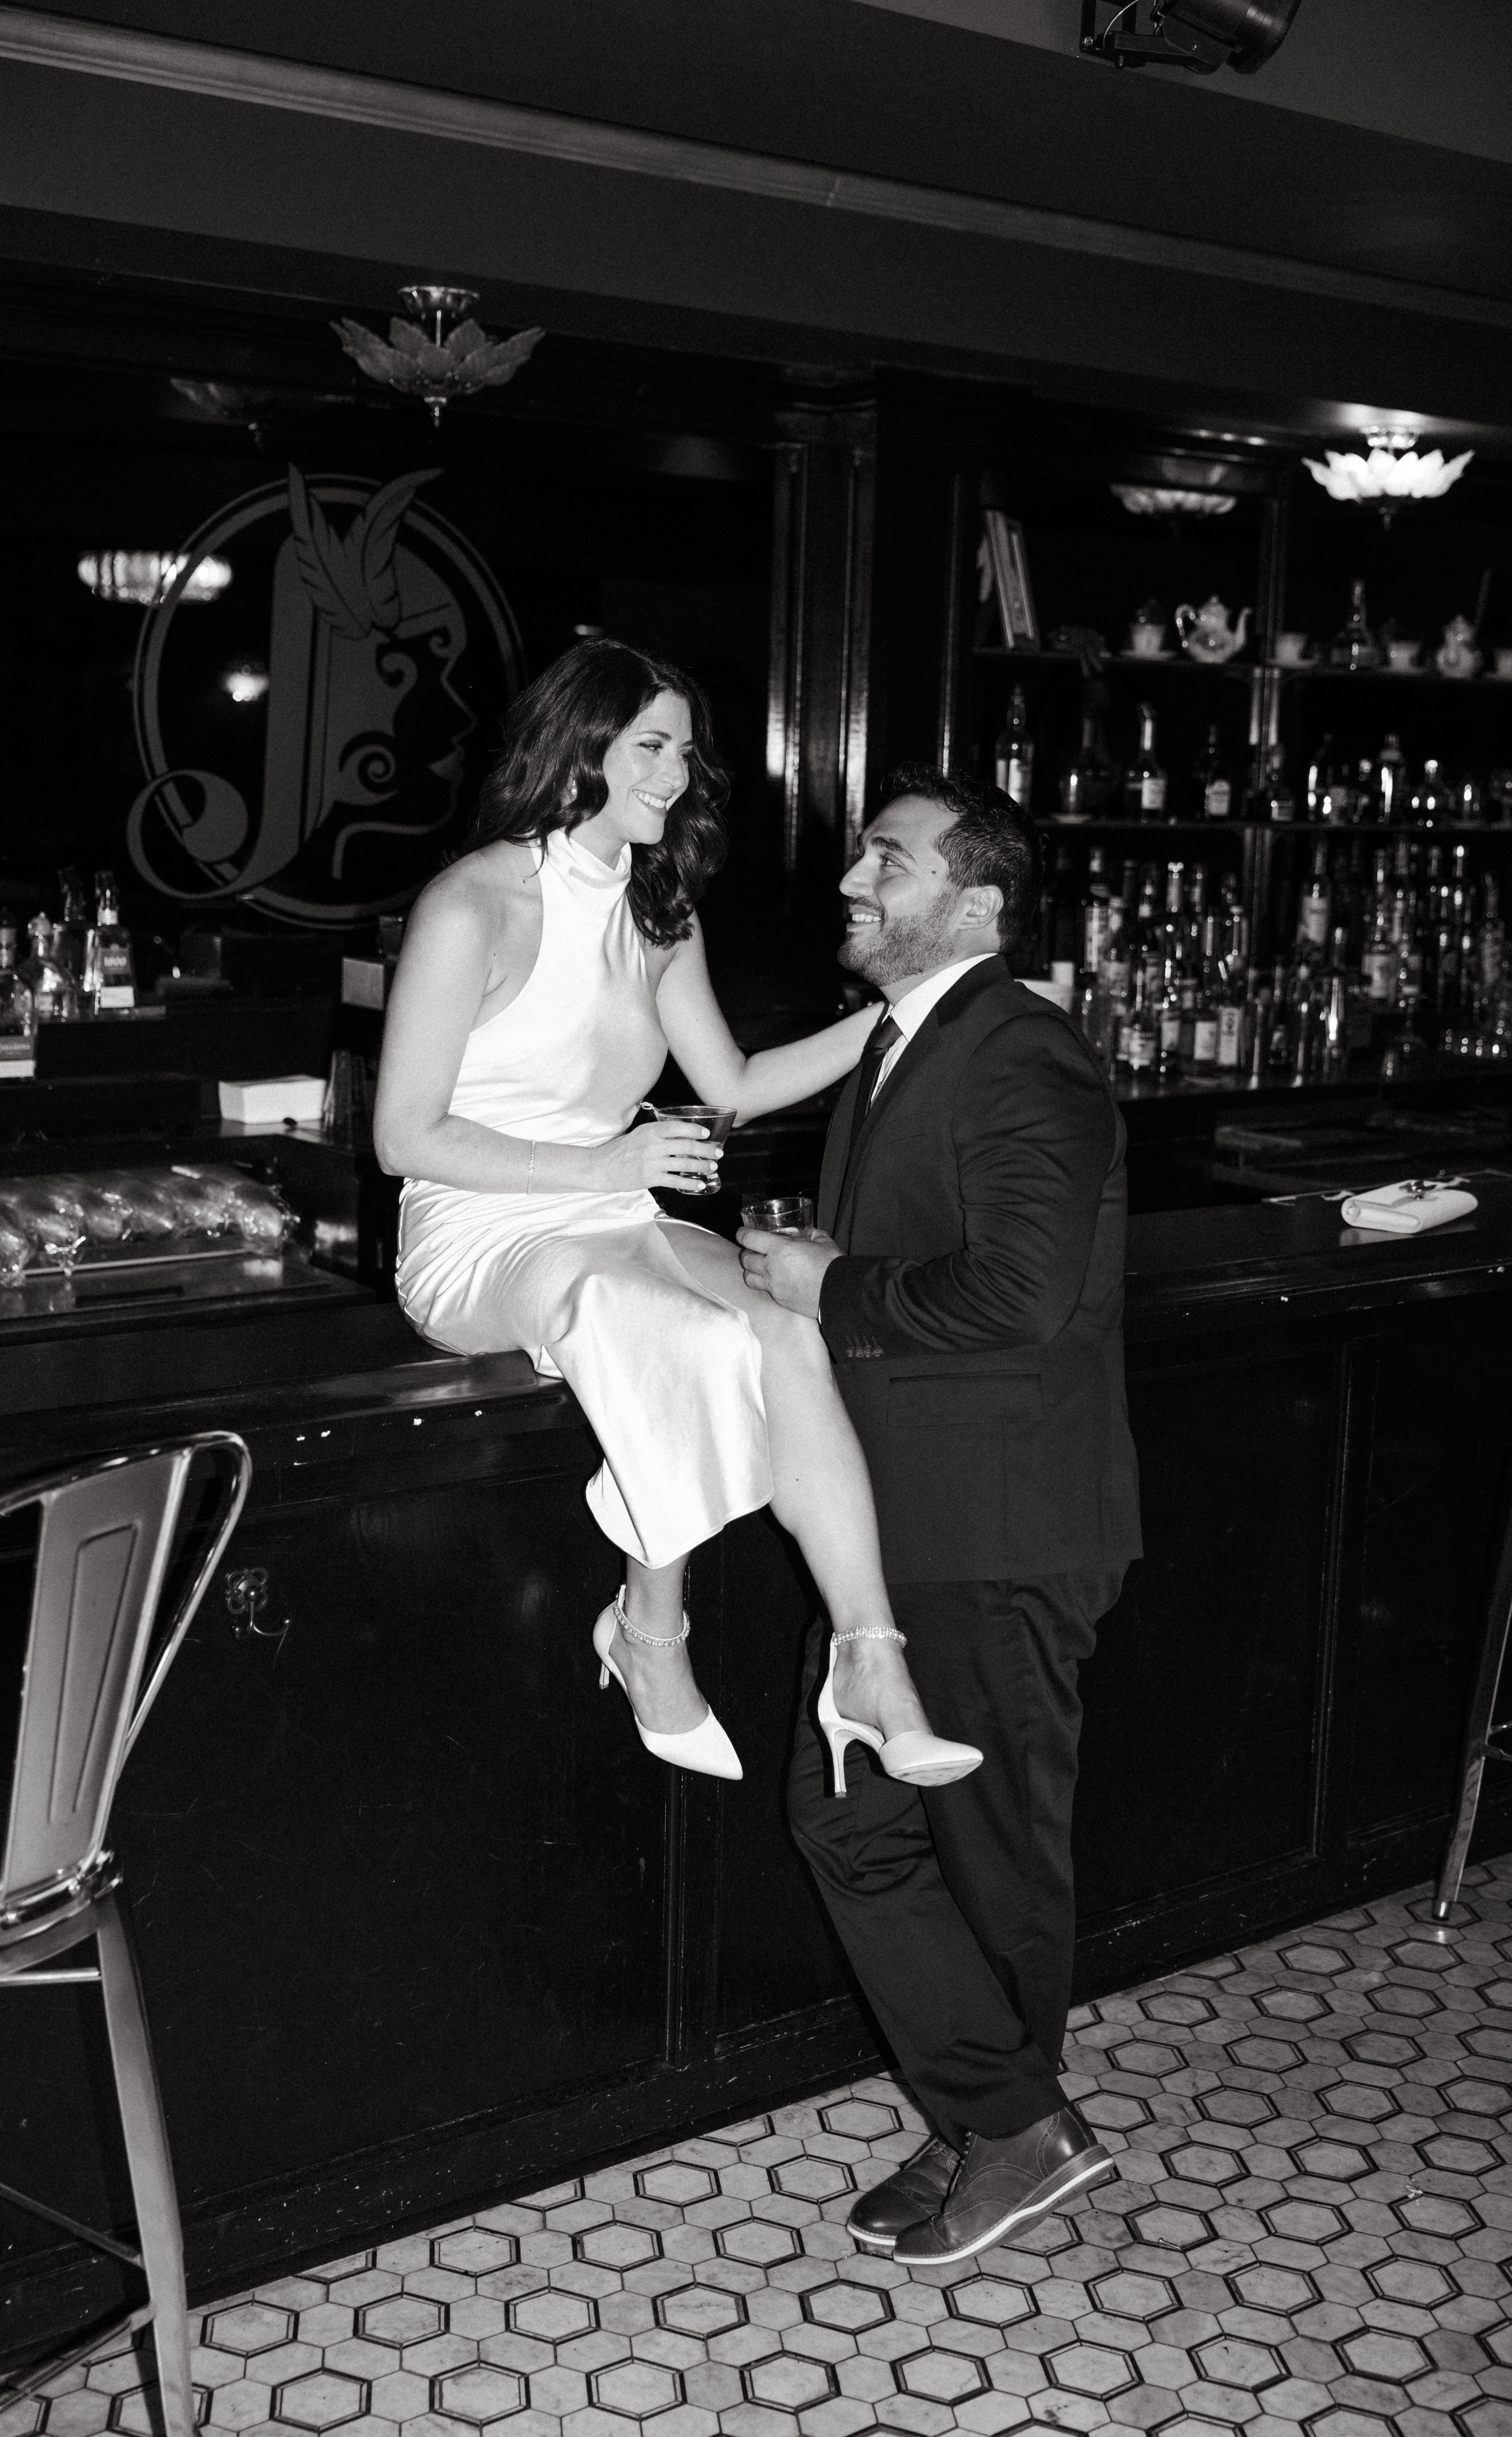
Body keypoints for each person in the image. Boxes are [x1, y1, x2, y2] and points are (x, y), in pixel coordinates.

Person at [374, 641, 980, 1793]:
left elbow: (738, 1083)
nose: (675, 774)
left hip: (607, 1204)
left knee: (782, 1322)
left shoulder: (660, 910)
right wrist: (607, 1154)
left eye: (683, 750)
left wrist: (913, 1005)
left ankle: (870, 1657)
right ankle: (651, 1626)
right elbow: (405, 1138)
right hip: (475, 1229)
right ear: (575, 748)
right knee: (659, 1320)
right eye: (650, 746)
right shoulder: (473, 901)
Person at [738, 765, 1142, 2265]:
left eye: (888, 861)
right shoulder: (912, 1042)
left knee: (991, 1850)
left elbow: (1023, 1296)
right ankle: (999, 2111)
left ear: (974, 901)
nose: (855, 877)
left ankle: (1009, 2125)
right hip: (905, 1530)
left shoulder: (1023, 1051)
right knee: (849, 1823)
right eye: (862, 855)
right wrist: (822, 1272)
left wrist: (827, 1285)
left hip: (999, 1528)